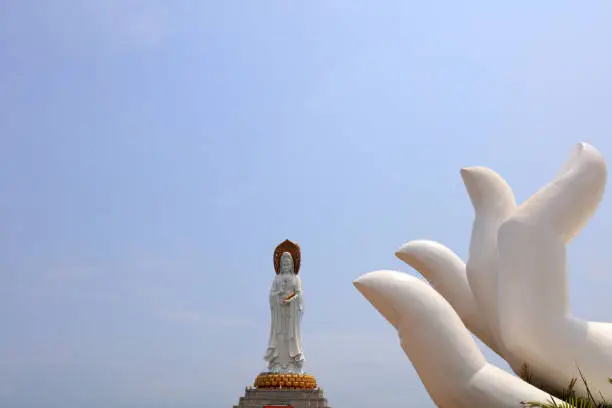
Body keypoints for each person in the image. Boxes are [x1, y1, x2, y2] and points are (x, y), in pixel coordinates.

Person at [264, 251, 305, 373]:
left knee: (291, 337)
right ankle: (276, 364)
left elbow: (299, 294)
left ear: (292, 265)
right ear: (280, 265)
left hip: (291, 314)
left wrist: (290, 300)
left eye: (288, 263)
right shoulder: (276, 279)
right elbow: (271, 295)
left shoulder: (296, 278)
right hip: (279, 313)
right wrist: (278, 294)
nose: (286, 265)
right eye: (284, 263)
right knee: (279, 337)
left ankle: (293, 365)